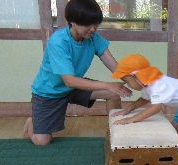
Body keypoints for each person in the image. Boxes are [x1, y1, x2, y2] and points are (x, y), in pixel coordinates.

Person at [23, 0, 132, 146]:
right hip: (49, 92)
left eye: (95, 24)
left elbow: (116, 67)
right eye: (87, 24)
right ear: (72, 22)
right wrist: (107, 85)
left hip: (74, 87)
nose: (93, 29)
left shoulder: (94, 38)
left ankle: (116, 134)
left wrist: (138, 82)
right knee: (42, 141)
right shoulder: (59, 41)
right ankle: (32, 123)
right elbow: (69, 80)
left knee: (113, 94)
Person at [110, 54, 178, 165]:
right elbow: (143, 100)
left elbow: (156, 107)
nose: (128, 85)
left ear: (136, 76)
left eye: (127, 81)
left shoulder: (158, 85)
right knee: (175, 132)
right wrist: (127, 110)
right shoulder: (148, 84)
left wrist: (131, 119)